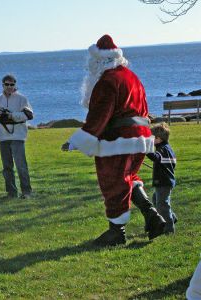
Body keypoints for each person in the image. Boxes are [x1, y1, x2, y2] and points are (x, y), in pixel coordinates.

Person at [62, 34, 166, 246]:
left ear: (98, 61)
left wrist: (77, 141)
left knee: (113, 182)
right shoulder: (132, 77)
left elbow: (100, 115)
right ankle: (153, 216)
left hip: (117, 141)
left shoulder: (107, 81)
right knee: (128, 178)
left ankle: (116, 232)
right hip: (141, 138)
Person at [0, 74, 33, 199]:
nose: (9, 87)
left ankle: (26, 192)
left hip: (18, 136)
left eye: (12, 84)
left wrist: (12, 116)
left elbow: (29, 115)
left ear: (15, 85)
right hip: (3, 137)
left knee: (21, 165)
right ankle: (11, 193)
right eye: (6, 84)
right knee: (7, 167)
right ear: (2, 85)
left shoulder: (22, 99)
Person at [146, 122, 177, 234]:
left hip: (164, 182)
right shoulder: (166, 148)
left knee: (162, 205)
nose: (150, 140)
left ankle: (169, 229)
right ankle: (172, 218)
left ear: (158, 138)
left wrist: (147, 150)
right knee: (157, 201)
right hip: (165, 181)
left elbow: (155, 157)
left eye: (151, 138)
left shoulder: (162, 149)